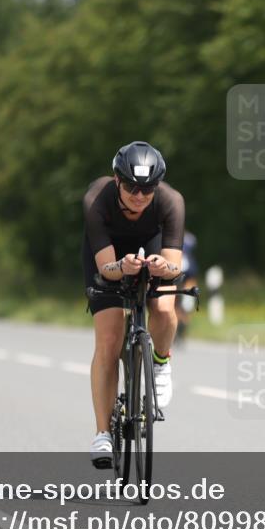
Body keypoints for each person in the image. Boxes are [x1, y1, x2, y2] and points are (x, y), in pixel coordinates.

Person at [82, 141, 185, 468]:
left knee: (166, 308)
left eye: (147, 188)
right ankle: (102, 433)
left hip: (151, 246)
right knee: (109, 341)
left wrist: (159, 267)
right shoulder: (96, 200)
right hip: (109, 255)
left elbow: (175, 267)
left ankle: (160, 361)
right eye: (131, 187)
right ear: (117, 181)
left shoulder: (171, 202)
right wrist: (121, 268)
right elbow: (105, 268)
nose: (139, 196)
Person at [174, 231, 199, 343]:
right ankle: (179, 332)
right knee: (179, 307)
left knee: (182, 307)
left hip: (186, 277)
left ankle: (180, 332)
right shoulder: (190, 238)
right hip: (181, 277)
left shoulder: (188, 239)